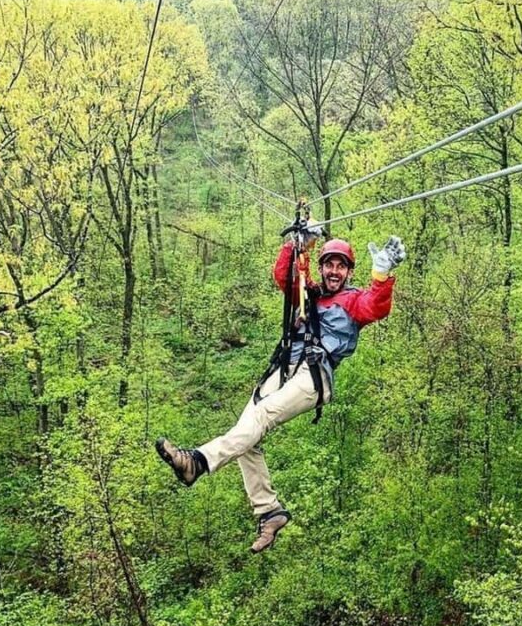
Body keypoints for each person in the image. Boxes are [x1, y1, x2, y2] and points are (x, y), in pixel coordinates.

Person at [155, 230, 406, 552]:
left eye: (340, 267)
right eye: (329, 265)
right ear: (322, 267)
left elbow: (377, 307)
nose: (334, 272)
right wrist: (299, 242)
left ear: (349, 272)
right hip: (285, 366)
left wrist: (381, 274)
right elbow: (284, 276)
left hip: (314, 374)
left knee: (259, 417)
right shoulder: (309, 294)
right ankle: (269, 512)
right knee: (247, 433)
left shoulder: (354, 301)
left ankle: (197, 462)